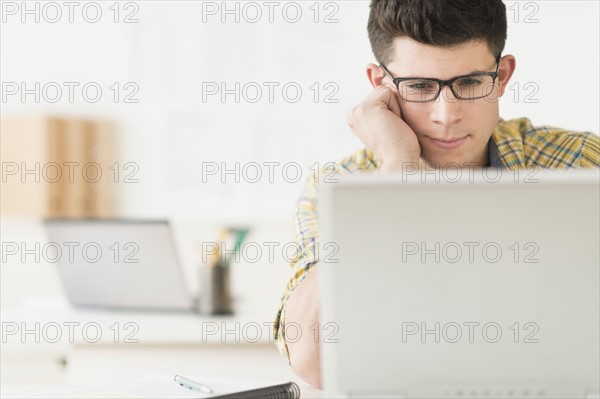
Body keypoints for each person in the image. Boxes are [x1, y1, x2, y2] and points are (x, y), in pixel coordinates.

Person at [273, 0, 600, 389]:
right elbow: (313, 364)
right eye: (420, 87)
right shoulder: (338, 184)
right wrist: (397, 167)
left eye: (470, 83)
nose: (446, 115)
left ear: (503, 76)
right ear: (381, 85)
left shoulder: (577, 162)